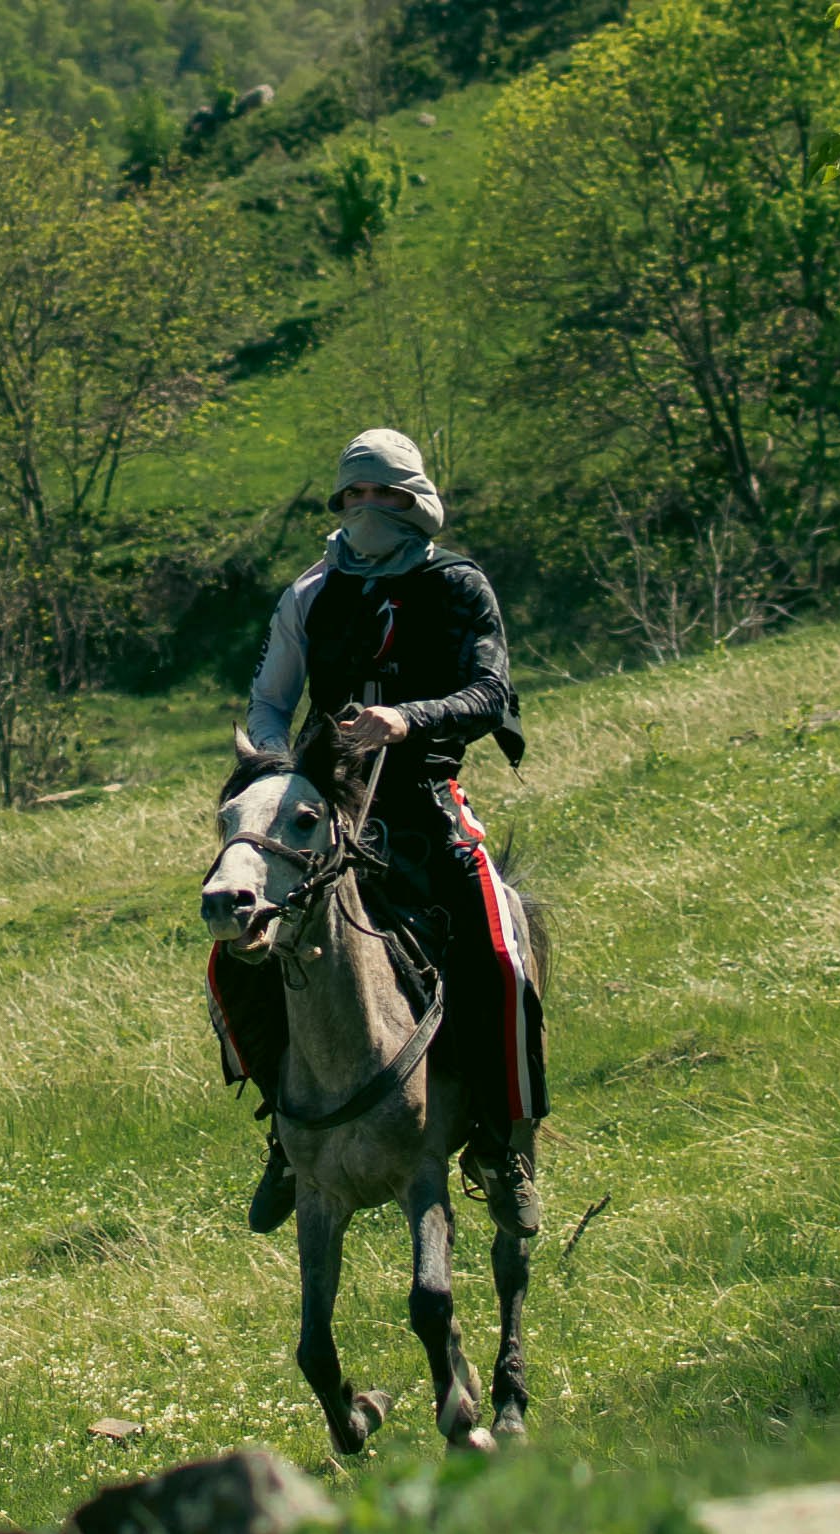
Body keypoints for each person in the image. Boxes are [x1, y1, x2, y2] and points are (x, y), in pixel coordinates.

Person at [206, 428, 548, 1234]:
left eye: (384, 494)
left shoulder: (458, 585)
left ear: (415, 501)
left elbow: (491, 691)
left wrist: (407, 718)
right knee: (233, 961)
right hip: (321, 816)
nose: (368, 509)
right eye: (355, 494)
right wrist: (280, 768)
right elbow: (269, 699)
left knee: (500, 954)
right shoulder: (309, 592)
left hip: (425, 804)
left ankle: (502, 1144)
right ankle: (286, 1138)